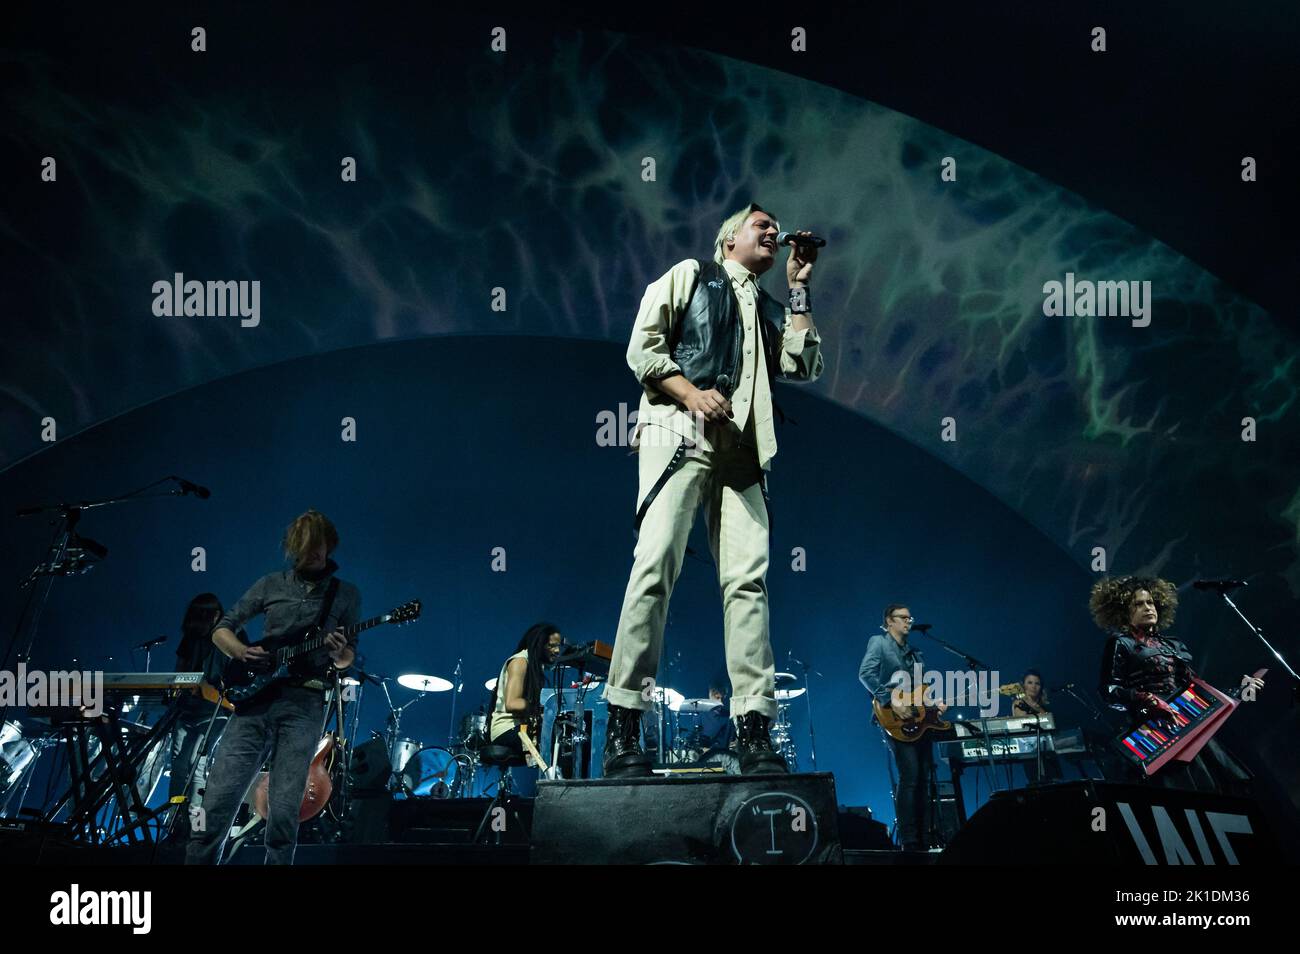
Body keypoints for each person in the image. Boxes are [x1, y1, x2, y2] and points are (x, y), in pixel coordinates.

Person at [602, 203, 825, 777]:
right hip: (681, 432)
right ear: (730, 240)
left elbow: (804, 366)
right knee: (655, 568)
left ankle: (753, 730)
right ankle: (624, 725)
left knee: (748, 583)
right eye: (762, 226)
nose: (773, 232)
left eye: (777, 229)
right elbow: (643, 348)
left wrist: (799, 288)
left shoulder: (773, 307)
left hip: (747, 452)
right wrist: (690, 393)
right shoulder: (692, 275)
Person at [185, 510, 360, 865]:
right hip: (254, 701)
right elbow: (222, 627)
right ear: (292, 548)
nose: (312, 554)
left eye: (318, 546)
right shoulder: (270, 584)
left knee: (284, 806)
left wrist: (340, 652)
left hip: (305, 702)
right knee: (219, 796)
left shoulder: (346, 595)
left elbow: (348, 660)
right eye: (304, 547)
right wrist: (241, 651)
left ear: (330, 545)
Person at [1093, 575, 1263, 795]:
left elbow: (1198, 690)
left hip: (1190, 725)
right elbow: (1108, 691)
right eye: (1138, 604)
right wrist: (1148, 699)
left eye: (1150, 602)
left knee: (1222, 790)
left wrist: (1238, 688)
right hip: (1156, 731)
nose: (1148, 607)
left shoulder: (1173, 645)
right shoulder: (1120, 642)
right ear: (1124, 611)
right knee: (1183, 793)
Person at [859, 603, 945, 851]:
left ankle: (926, 836)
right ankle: (910, 839)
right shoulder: (879, 642)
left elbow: (920, 691)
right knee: (910, 776)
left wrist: (933, 705)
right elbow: (865, 673)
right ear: (889, 620)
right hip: (892, 718)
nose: (909, 621)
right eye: (903, 617)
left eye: (910, 617)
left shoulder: (915, 653)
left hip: (918, 722)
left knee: (925, 777)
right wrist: (890, 701)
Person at [168, 593, 234, 835]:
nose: (213, 616)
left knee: (196, 764)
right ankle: (175, 825)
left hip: (216, 709)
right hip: (188, 707)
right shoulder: (191, 638)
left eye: (216, 611)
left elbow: (239, 673)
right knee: (178, 766)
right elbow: (180, 670)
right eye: (207, 612)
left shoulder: (229, 635)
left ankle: (195, 829)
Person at [486, 622, 564, 761]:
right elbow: (512, 703)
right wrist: (544, 707)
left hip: (520, 728)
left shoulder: (534, 666)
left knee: (564, 740)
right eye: (551, 645)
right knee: (562, 744)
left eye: (558, 645)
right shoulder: (520, 662)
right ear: (538, 645)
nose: (557, 650)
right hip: (507, 730)